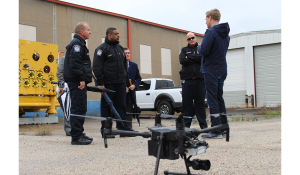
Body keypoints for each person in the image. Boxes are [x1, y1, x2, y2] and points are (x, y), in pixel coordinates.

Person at [197, 9, 230, 139]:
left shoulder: (211, 32)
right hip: (222, 69)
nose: (205, 22)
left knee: (212, 100)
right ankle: (223, 127)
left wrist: (199, 47)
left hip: (211, 70)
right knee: (219, 98)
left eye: (205, 19)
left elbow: (204, 50)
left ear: (210, 18)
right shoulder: (225, 34)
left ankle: (216, 131)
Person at [93, 27, 131, 138]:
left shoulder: (120, 48)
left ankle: (123, 129)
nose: (118, 35)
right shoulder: (101, 49)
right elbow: (96, 67)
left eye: (118, 33)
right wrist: (100, 84)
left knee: (121, 106)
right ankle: (106, 130)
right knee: (106, 107)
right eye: (115, 34)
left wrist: (123, 80)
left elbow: (124, 66)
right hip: (108, 84)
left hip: (120, 83)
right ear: (109, 35)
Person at [63, 22, 93, 145]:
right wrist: (81, 79)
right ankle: (76, 136)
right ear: (81, 32)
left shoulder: (80, 44)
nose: (90, 32)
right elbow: (75, 64)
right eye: (88, 29)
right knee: (78, 107)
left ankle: (79, 132)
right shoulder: (77, 44)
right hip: (77, 81)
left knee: (81, 107)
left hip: (78, 80)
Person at [179, 32, 207, 129]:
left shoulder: (200, 48)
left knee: (200, 104)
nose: (191, 40)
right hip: (188, 81)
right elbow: (182, 60)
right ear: (187, 40)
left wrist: (189, 57)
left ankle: (203, 126)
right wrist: (196, 59)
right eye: (189, 39)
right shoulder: (184, 50)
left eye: (193, 38)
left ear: (195, 38)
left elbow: (203, 58)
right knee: (187, 105)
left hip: (200, 81)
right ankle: (186, 127)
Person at [124, 48, 142, 131]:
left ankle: (129, 127)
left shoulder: (134, 65)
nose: (127, 54)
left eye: (128, 53)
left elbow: (138, 78)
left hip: (131, 93)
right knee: (121, 109)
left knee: (129, 110)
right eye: (126, 53)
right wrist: (123, 87)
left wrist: (134, 85)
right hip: (123, 92)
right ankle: (121, 127)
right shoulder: (119, 65)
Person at [57, 56, 71, 136]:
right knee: (67, 109)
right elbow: (60, 71)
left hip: (76, 87)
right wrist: (61, 85)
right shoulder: (65, 58)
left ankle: (76, 128)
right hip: (66, 87)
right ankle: (68, 129)